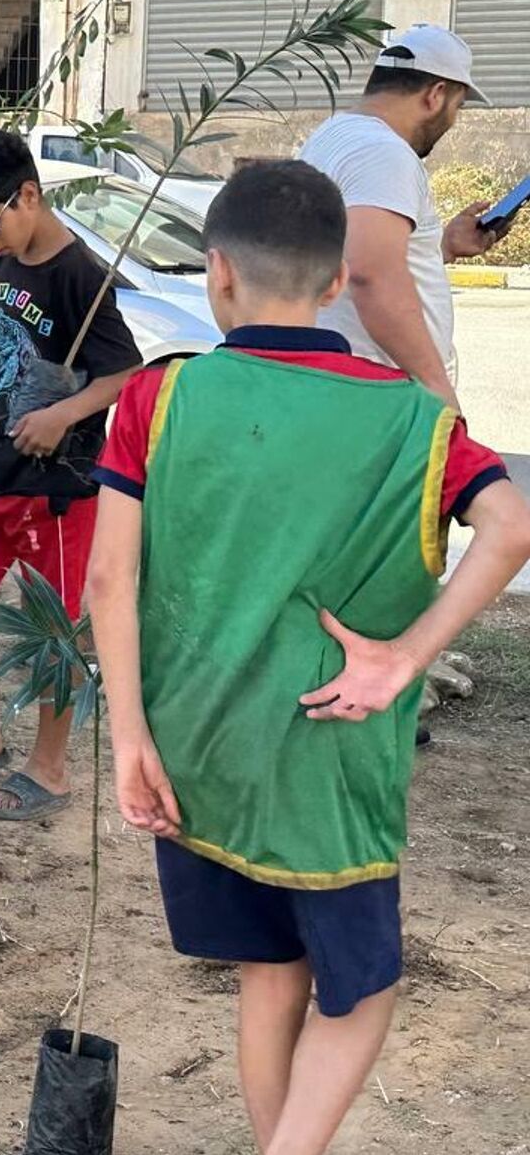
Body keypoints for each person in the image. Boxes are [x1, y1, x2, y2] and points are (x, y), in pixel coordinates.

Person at [90, 159, 530, 1155]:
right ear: (338, 284)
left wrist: (128, 739)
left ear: (217, 274)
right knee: (363, 989)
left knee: (269, 974)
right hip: (328, 766)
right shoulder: (416, 417)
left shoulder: (160, 398)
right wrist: (402, 657)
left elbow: (108, 582)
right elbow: (509, 526)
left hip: (199, 746)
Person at [0, 129, 142, 820]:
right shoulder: (9, 253)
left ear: (30, 196)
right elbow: (13, 328)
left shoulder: (80, 272)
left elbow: (127, 371)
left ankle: (50, 767)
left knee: (55, 627)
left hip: (61, 482)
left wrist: (64, 413)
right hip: (0, 465)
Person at [300, 24, 508, 408]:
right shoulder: (383, 152)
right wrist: (435, 384)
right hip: (381, 392)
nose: (453, 120)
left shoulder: (332, 136)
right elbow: (371, 275)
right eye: (457, 107)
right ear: (436, 95)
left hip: (348, 383)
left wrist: (441, 248)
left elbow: (350, 252)